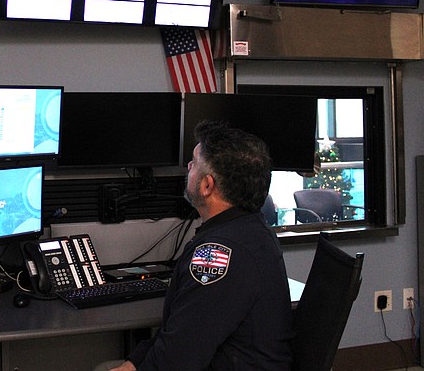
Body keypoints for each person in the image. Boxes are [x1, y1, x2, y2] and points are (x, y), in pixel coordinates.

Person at [110, 120, 293, 370]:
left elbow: (176, 360)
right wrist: (135, 361)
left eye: (194, 162)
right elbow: (181, 334)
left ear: (207, 185)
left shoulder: (218, 254)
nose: (188, 167)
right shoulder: (252, 231)